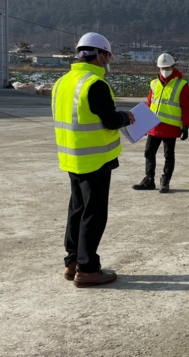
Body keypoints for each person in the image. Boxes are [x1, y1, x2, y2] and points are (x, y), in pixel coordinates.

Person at [52, 32, 134, 287]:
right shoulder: (95, 84)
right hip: (95, 159)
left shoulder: (63, 82)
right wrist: (126, 117)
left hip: (72, 157)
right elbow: (110, 120)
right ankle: (87, 269)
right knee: (93, 214)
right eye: (107, 56)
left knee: (77, 209)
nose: (107, 61)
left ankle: (72, 261)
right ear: (100, 56)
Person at [132, 53, 189, 193]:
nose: (164, 70)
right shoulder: (154, 83)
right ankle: (149, 180)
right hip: (153, 126)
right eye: (162, 68)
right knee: (148, 153)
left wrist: (185, 126)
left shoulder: (181, 84)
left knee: (168, 155)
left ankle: (165, 180)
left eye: (167, 67)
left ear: (173, 67)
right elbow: (149, 104)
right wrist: (144, 123)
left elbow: (187, 107)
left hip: (170, 127)